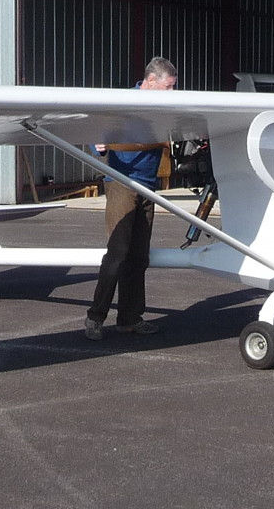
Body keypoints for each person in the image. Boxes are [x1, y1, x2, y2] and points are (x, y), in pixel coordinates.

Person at [86, 56, 178, 340]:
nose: (172, 93)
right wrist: (97, 144)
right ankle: (95, 318)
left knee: (139, 257)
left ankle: (129, 318)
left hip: (148, 186)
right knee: (118, 253)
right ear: (150, 81)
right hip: (122, 183)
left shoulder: (163, 109)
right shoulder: (121, 102)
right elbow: (95, 133)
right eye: (168, 87)